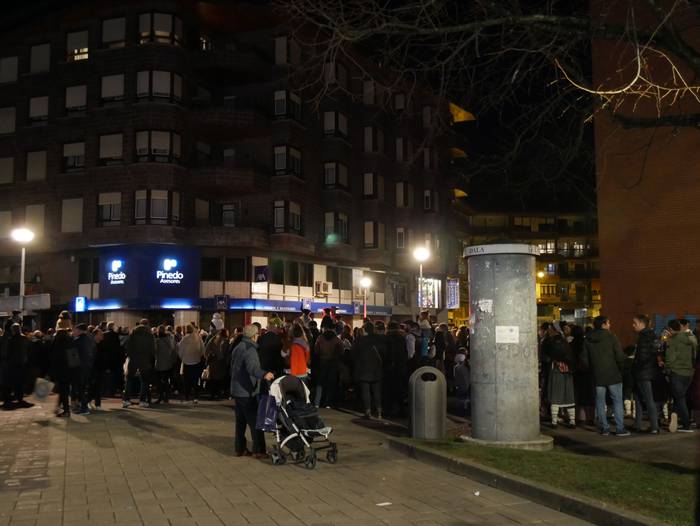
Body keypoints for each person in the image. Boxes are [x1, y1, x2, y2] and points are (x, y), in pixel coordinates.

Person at [230, 324, 274, 458]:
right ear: (254, 336)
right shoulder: (250, 349)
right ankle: (259, 450)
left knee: (240, 422)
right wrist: (264, 374)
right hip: (247, 391)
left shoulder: (238, 346)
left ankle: (240, 448)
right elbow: (252, 368)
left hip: (237, 390)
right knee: (255, 422)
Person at [583, 316, 629, 436]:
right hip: (613, 374)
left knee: (600, 402)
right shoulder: (611, 337)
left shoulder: (588, 339)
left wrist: (592, 370)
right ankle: (620, 428)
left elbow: (584, 359)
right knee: (617, 401)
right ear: (603, 324)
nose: (610, 325)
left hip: (597, 375)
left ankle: (605, 427)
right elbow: (619, 356)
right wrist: (621, 369)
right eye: (608, 323)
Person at [542, 322, 576, 428]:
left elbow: (545, 356)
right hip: (568, 371)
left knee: (555, 395)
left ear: (554, 329)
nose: (549, 330)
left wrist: (552, 360)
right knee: (569, 396)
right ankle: (572, 421)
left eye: (550, 328)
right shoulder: (566, 341)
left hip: (556, 370)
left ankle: (554, 421)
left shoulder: (550, 341)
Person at [665, 319, 697, 432]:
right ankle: (675, 415)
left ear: (670, 329)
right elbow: (694, 355)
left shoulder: (673, 340)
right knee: (680, 397)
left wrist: (667, 369)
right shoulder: (691, 338)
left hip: (677, 372)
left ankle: (686, 424)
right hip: (689, 373)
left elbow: (670, 358)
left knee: (679, 398)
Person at [631, 315, 660, 433]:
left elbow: (643, 356)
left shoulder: (644, 336)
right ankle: (637, 424)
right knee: (638, 397)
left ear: (641, 324)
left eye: (634, 323)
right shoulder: (652, 335)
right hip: (649, 371)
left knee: (648, 399)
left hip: (643, 372)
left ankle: (654, 427)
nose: (633, 325)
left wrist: (635, 363)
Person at [352, 322, 386, 419]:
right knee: (377, 391)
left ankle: (368, 411)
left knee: (365, 392)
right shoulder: (380, 339)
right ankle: (379, 411)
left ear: (365, 329)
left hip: (364, 369)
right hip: (377, 368)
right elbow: (384, 353)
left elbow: (353, 354)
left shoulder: (360, 340)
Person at [123, 319, 156, 408]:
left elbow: (128, 347)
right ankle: (142, 400)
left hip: (133, 359)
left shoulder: (133, 334)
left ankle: (126, 400)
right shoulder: (149, 335)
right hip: (145, 360)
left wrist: (130, 356)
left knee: (129, 379)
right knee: (144, 381)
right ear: (147, 324)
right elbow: (153, 349)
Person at [313, 321, 344, 408]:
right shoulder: (337, 340)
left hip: (322, 362)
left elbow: (316, 350)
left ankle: (317, 402)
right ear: (334, 329)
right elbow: (341, 351)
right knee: (331, 383)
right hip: (333, 363)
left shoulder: (320, 338)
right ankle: (328, 403)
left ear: (326, 328)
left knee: (320, 382)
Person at [50, 325, 77, 417]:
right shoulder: (71, 343)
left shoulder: (56, 344)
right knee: (64, 390)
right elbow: (74, 359)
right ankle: (61, 408)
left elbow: (53, 359)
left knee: (63, 391)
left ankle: (65, 410)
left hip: (60, 371)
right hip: (69, 371)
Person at [383, 321, 408, 417]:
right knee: (399, 389)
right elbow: (406, 353)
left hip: (390, 367)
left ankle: (389, 409)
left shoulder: (387, 338)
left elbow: (387, 353)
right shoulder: (402, 338)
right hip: (401, 366)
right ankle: (401, 409)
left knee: (389, 390)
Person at [2, 324, 29, 409]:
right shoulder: (25, 338)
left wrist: (7, 360)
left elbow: (8, 352)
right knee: (20, 381)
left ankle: (9, 397)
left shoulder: (11, 340)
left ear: (13, 330)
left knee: (11, 380)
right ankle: (20, 397)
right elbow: (28, 350)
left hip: (13, 363)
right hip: (22, 363)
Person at [177, 324, 205, 404]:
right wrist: (198, 357)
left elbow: (180, 350)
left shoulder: (184, 339)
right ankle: (196, 396)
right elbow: (202, 349)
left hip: (187, 362)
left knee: (187, 380)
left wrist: (183, 358)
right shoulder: (198, 338)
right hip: (196, 362)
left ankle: (187, 396)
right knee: (195, 380)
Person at [73, 323, 96, 414]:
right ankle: (84, 406)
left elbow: (73, 357)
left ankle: (84, 408)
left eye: (75, 330)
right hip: (88, 367)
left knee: (80, 388)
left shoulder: (77, 341)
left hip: (79, 368)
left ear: (80, 330)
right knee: (84, 387)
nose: (74, 332)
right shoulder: (90, 339)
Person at [154, 324, 176, 404]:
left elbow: (154, 351)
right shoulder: (169, 339)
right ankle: (166, 397)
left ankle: (161, 396)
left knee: (159, 381)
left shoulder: (157, 341)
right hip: (167, 363)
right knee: (166, 380)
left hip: (159, 363)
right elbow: (173, 349)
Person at [205, 329, 229, 400]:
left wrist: (208, 359)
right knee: (219, 379)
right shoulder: (226, 341)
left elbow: (206, 351)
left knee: (213, 378)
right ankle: (218, 394)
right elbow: (227, 353)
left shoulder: (212, 340)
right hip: (221, 362)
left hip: (213, 362)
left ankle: (213, 394)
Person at [90, 327, 107, 410]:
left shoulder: (102, 344)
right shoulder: (91, 344)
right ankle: (89, 401)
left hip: (100, 368)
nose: (102, 336)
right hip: (93, 368)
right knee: (93, 386)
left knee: (98, 386)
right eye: (101, 334)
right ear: (96, 335)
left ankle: (97, 404)